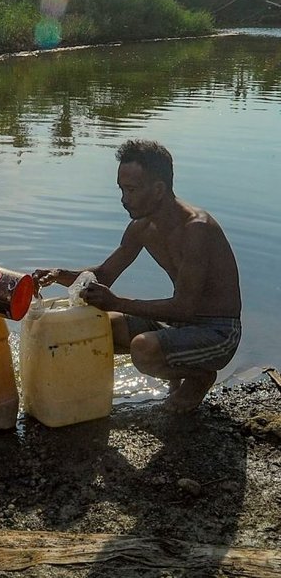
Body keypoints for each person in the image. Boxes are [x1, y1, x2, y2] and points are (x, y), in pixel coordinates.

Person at [33, 139, 242, 413]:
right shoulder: (141, 227)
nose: (124, 199)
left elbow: (184, 307)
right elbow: (105, 275)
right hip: (181, 325)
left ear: (158, 189)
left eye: (131, 190)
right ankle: (178, 369)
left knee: (143, 348)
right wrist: (59, 275)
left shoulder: (196, 230)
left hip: (217, 331)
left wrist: (117, 302)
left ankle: (198, 376)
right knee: (101, 325)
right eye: (121, 189)